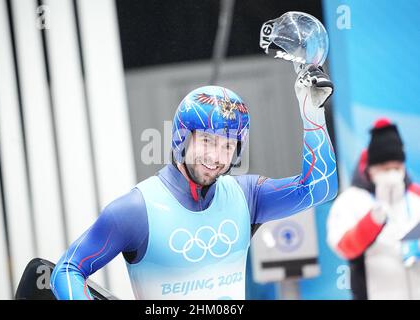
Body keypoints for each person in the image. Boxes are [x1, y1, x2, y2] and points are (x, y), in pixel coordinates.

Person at [50, 64, 338, 300]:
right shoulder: (135, 210)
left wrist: (312, 113)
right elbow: (67, 269)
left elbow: (320, 187)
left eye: (228, 146)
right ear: (181, 139)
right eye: (207, 141)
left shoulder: (247, 195)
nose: (216, 156)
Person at [327, 118, 420, 300]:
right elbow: (343, 246)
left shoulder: (415, 196)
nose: (392, 173)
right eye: (385, 168)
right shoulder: (350, 201)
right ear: (371, 168)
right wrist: (373, 221)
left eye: (396, 167)